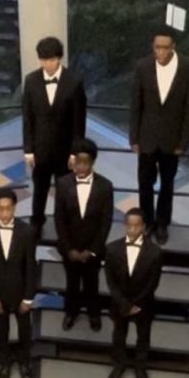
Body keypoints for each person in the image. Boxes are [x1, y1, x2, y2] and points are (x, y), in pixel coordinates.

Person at [129, 27, 189, 245]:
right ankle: (147, 222)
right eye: (157, 47)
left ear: (173, 47)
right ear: (153, 46)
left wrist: (183, 141)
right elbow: (135, 104)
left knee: (168, 184)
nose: (161, 52)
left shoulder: (187, 67)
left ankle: (162, 224)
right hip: (147, 138)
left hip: (171, 140)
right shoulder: (142, 66)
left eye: (165, 47)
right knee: (145, 183)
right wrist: (134, 138)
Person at [22, 36, 87, 233]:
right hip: (40, 150)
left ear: (59, 59)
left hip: (65, 150)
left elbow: (79, 121)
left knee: (65, 191)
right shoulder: (31, 80)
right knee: (39, 189)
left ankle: (64, 227)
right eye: (43, 60)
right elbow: (27, 118)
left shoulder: (74, 82)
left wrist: (75, 152)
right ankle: (37, 222)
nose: (47, 64)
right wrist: (28, 149)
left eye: (51, 60)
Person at [53, 137, 114, 332]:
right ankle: (71, 312)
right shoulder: (62, 184)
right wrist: (68, 249)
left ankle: (94, 314)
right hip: (70, 247)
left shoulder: (105, 186)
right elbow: (59, 219)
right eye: (77, 162)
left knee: (91, 284)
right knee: (71, 283)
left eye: (85, 162)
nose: (80, 166)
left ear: (92, 162)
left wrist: (93, 250)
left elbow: (106, 222)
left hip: (92, 248)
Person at [0, 189, 37, 378]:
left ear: (15, 208)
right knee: (1, 332)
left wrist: (28, 298)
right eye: (1, 209)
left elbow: (31, 266)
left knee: (24, 332)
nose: (5, 213)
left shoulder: (27, 231)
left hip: (21, 293)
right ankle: (4, 364)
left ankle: (24, 362)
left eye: (8, 209)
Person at [105, 208, 163, 378]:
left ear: (144, 227)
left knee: (143, 337)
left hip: (143, 304)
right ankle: (119, 366)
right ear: (124, 226)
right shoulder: (112, 249)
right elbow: (110, 281)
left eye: (136, 226)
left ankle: (140, 368)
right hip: (119, 303)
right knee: (119, 336)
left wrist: (136, 304)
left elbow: (153, 283)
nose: (132, 229)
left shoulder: (155, 252)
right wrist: (124, 303)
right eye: (129, 225)